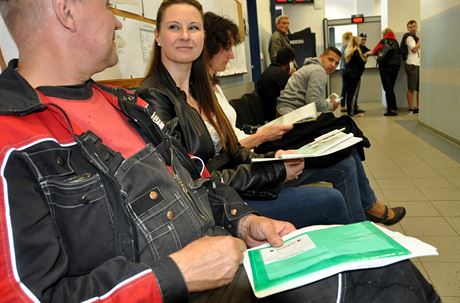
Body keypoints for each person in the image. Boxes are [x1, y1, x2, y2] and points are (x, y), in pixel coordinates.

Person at [0, 1, 442, 302]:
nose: (117, 21)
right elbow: (33, 294)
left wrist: (243, 219)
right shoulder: (13, 142)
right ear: (66, 10)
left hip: (227, 256)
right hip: (186, 284)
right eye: (105, 5)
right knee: (385, 285)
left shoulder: (123, 105)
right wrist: (175, 273)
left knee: (387, 266)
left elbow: (197, 175)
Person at [139, 8, 406, 227]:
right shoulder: (156, 96)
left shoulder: (197, 90)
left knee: (341, 163)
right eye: (174, 27)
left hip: (236, 181)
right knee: (332, 200)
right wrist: (273, 167)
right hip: (221, 200)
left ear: (202, 38)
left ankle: (365, 243)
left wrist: (272, 160)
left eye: (193, 28)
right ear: (158, 36)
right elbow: (192, 181)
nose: (185, 36)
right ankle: (362, 256)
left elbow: (231, 149)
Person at [276, 47, 341, 115]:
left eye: (336, 63)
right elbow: (314, 103)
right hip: (290, 113)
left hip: (284, 110)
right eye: (330, 60)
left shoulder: (310, 66)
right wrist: (331, 105)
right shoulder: (319, 71)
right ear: (321, 57)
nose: (333, 65)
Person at [367, 28, 401, 116]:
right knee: (391, 88)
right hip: (396, 67)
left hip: (385, 67)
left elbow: (375, 51)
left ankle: (391, 110)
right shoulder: (396, 42)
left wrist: (367, 53)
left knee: (387, 88)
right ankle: (394, 107)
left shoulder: (384, 41)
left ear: (384, 34)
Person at [256, 46, 296, 122]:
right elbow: (292, 95)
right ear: (290, 62)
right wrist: (293, 77)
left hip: (265, 112)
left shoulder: (269, 70)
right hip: (274, 115)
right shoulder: (282, 75)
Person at [342, 35, 368, 116]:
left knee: (349, 93)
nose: (362, 41)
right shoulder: (356, 50)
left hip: (347, 73)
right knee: (353, 94)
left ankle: (351, 111)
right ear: (357, 42)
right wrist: (366, 56)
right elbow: (361, 62)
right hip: (354, 75)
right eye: (360, 40)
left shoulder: (349, 50)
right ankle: (352, 112)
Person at [402, 20, 420, 114]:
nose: (413, 28)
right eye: (411, 27)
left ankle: (418, 108)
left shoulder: (416, 38)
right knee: (411, 88)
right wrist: (421, 40)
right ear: (408, 28)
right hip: (411, 65)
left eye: (414, 26)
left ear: (417, 27)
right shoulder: (409, 38)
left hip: (417, 64)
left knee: (419, 88)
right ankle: (411, 109)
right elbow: (414, 49)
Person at [339, 31, 353, 113]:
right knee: (346, 88)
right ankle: (343, 105)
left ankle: (344, 104)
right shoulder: (347, 46)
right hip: (345, 69)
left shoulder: (344, 46)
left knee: (345, 88)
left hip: (342, 69)